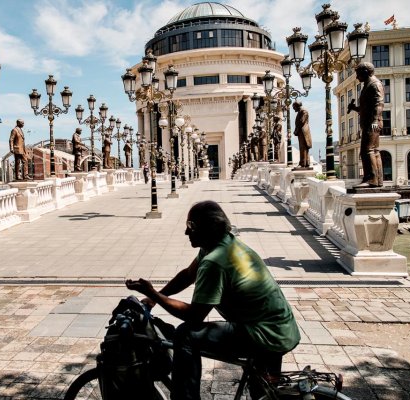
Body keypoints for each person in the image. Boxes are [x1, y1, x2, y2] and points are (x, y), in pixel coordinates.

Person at [126, 201, 300, 400]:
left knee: (186, 335)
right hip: (278, 327)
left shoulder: (214, 262)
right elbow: (187, 275)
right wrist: (152, 298)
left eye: (190, 226)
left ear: (206, 229)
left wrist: (155, 295)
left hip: (264, 332)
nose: (185, 232)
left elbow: (194, 316)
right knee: (262, 395)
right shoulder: (221, 244)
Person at [348, 62, 384, 188]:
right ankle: (377, 180)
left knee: (366, 151)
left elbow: (379, 104)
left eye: (358, 74)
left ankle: (371, 179)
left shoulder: (374, 84)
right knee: (374, 151)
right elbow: (366, 108)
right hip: (370, 122)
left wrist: (375, 120)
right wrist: (355, 108)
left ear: (365, 72)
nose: (357, 77)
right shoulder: (368, 85)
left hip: (372, 123)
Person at [292, 101, 312, 168]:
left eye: (294, 107)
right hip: (301, 131)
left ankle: (303, 163)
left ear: (297, 106)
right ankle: (305, 163)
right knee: (302, 147)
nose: (293, 109)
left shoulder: (304, 112)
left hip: (303, 131)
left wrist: (296, 130)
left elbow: (301, 122)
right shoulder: (300, 112)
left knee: (303, 147)